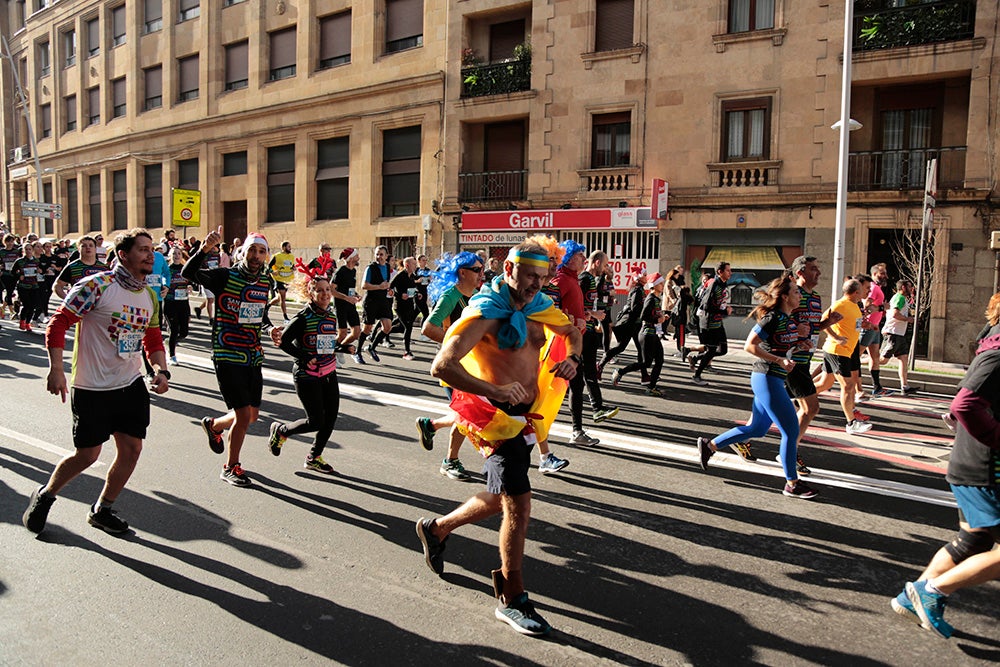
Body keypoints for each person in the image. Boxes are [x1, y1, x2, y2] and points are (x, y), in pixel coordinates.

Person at [415, 240, 582, 636]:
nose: (535, 285)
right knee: (518, 505)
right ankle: (511, 597)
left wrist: (572, 358)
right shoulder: (484, 313)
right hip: (494, 417)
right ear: (508, 268)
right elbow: (443, 365)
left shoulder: (539, 306)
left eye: (542, 278)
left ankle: (436, 529)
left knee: (498, 496)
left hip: (524, 416)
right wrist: (497, 391)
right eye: (529, 276)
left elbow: (573, 330)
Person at [22, 229, 170, 535]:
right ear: (122, 255)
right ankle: (45, 495)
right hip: (92, 386)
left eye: (151, 249)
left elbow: (152, 338)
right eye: (142, 249)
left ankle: (102, 509)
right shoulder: (97, 286)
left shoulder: (150, 295)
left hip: (129, 384)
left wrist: (161, 370)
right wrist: (56, 369)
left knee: (131, 450)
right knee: (88, 455)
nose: (149, 255)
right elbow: (58, 323)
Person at [890, 330, 1000, 639]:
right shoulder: (997, 354)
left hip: (975, 464)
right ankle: (933, 590)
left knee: (974, 542)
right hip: (986, 469)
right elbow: (964, 405)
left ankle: (913, 599)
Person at [695, 275, 818, 499]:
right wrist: (779, 361)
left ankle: (710, 445)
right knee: (790, 431)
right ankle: (792, 483)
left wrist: (800, 346)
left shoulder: (787, 319)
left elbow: (782, 349)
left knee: (757, 429)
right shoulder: (772, 318)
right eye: (796, 292)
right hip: (767, 378)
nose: (800, 295)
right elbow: (749, 346)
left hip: (772, 379)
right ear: (784, 297)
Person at [183, 228, 279, 486]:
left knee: (253, 415)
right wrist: (204, 250)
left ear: (266, 255)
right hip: (227, 353)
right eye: (252, 250)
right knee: (243, 415)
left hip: (253, 355)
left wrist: (270, 330)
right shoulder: (225, 275)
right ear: (243, 252)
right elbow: (188, 274)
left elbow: (261, 314)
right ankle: (231, 466)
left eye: (261, 251)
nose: (256, 256)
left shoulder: (265, 282)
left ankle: (214, 425)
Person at [269, 260, 348, 474]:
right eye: (319, 290)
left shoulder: (330, 315)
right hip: (306, 375)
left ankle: (314, 457)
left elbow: (326, 344)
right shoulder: (303, 318)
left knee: (330, 418)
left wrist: (342, 348)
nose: (324, 294)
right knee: (315, 421)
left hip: (329, 372)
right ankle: (281, 431)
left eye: (327, 290)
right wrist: (304, 357)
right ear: (310, 293)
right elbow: (282, 342)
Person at [414, 251, 484, 480]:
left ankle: (431, 426)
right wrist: (456, 343)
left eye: (482, 269)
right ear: (462, 272)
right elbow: (428, 328)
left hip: (472, 364)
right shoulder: (450, 297)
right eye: (477, 270)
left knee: (471, 411)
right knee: (468, 412)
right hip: (451, 365)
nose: (481, 273)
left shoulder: (476, 295)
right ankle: (450, 460)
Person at [553, 241, 618, 443]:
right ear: (569, 257)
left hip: (577, 340)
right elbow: (549, 308)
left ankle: (576, 431)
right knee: (562, 387)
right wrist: (567, 320)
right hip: (565, 343)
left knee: (576, 385)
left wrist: (587, 316)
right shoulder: (562, 280)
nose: (584, 258)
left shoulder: (573, 279)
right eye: (580, 255)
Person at [820, 278, 874, 435]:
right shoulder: (840, 304)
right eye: (865, 290)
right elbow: (823, 321)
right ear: (856, 292)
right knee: (848, 385)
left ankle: (797, 399)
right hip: (837, 350)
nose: (867, 292)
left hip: (845, 351)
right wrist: (836, 337)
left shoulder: (854, 305)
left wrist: (864, 325)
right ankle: (851, 423)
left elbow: (852, 324)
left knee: (825, 383)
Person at [613, 272, 666, 396]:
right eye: (660, 283)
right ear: (654, 285)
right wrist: (657, 320)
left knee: (659, 360)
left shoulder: (657, 298)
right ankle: (620, 372)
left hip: (653, 334)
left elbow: (652, 314)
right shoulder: (651, 298)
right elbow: (644, 316)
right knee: (646, 363)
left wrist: (662, 317)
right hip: (647, 334)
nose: (663, 285)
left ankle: (651, 387)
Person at [599, 268, 648, 381]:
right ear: (639, 277)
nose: (646, 276)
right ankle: (600, 365)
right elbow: (634, 308)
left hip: (635, 324)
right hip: (630, 324)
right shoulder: (637, 290)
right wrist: (646, 309)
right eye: (644, 275)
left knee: (640, 350)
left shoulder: (640, 289)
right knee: (620, 347)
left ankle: (645, 376)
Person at [690, 262, 733, 385]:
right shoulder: (714, 284)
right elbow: (706, 306)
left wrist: (724, 309)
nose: (730, 273)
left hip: (718, 321)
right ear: (720, 272)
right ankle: (697, 376)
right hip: (709, 322)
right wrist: (724, 310)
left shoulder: (723, 284)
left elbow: (719, 303)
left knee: (723, 350)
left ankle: (695, 358)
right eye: (728, 271)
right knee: (712, 350)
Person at [376, 256, 419, 360]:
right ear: (407, 265)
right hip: (399, 306)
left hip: (409, 305)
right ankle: (407, 352)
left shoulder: (412, 276)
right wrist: (399, 295)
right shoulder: (400, 276)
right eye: (414, 264)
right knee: (408, 327)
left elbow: (413, 289)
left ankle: (382, 333)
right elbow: (389, 288)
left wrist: (418, 293)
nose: (416, 266)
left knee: (401, 328)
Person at [880, 279, 917, 394]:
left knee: (903, 358)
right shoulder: (899, 298)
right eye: (910, 286)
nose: (911, 289)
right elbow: (895, 314)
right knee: (882, 360)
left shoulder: (903, 299)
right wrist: (908, 319)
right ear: (903, 287)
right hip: (892, 333)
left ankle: (905, 386)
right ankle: (857, 362)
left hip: (899, 334)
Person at [358, 245, 393, 363]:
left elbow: (386, 283)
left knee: (387, 327)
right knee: (367, 328)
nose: (379, 257)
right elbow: (364, 285)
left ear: (386, 256)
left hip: (383, 300)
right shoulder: (371, 268)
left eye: (381, 254)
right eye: (377, 254)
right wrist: (379, 286)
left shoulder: (387, 267)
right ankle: (358, 352)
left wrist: (389, 289)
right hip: (371, 300)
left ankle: (371, 348)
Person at [860, 263, 890, 398]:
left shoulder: (877, 288)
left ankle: (877, 387)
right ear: (873, 274)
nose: (884, 276)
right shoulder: (873, 288)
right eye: (881, 273)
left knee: (875, 357)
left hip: (875, 327)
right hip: (869, 327)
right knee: (854, 356)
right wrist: (882, 308)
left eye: (885, 273)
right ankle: (856, 387)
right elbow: (867, 306)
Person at [332, 248, 363, 362]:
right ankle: (331, 354)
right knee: (342, 333)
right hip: (341, 305)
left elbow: (349, 289)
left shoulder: (353, 271)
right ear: (351, 258)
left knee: (356, 332)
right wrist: (347, 298)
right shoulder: (341, 271)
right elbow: (332, 290)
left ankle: (340, 349)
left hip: (351, 304)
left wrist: (356, 295)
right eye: (356, 256)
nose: (358, 258)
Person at [163, 246, 191, 365]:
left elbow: (190, 282)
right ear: (170, 256)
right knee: (174, 329)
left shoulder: (185, 269)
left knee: (184, 332)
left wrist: (190, 286)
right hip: (170, 303)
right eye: (174, 254)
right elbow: (163, 281)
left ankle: (169, 341)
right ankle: (172, 356)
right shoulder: (167, 270)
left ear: (182, 255)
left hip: (183, 303)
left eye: (179, 254)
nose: (176, 256)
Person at [12, 241, 43, 331]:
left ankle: (27, 323)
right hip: (23, 286)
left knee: (33, 306)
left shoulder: (36, 261)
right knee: (27, 305)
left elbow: (41, 270)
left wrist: (40, 270)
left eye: (30, 249)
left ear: (32, 250)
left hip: (34, 285)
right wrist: (19, 276)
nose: (28, 251)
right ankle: (22, 321)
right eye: (26, 249)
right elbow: (13, 272)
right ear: (23, 251)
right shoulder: (19, 261)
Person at [268, 240, 296, 321]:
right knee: (283, 298)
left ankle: (267, 306)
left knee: (279, 298)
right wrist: (272, 272)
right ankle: (285, 316)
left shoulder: (291, 256)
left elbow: (292, 265)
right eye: (288, 246)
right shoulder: (277, 256)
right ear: (283, 247)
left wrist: (294, 268)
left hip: (287, 280)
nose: (290, 248)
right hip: (279, 279)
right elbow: (269, 266)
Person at [1, 233, 21, 319]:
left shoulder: (16, 251)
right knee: (8, 292)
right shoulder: (1, 252)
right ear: (4, 242)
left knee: (10, 291)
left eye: (12, 241)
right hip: (4, 274)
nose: (10, 243)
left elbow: (21, 261)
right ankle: (11, 311)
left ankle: (2, 308)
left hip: (14, 274)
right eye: (8, 241)